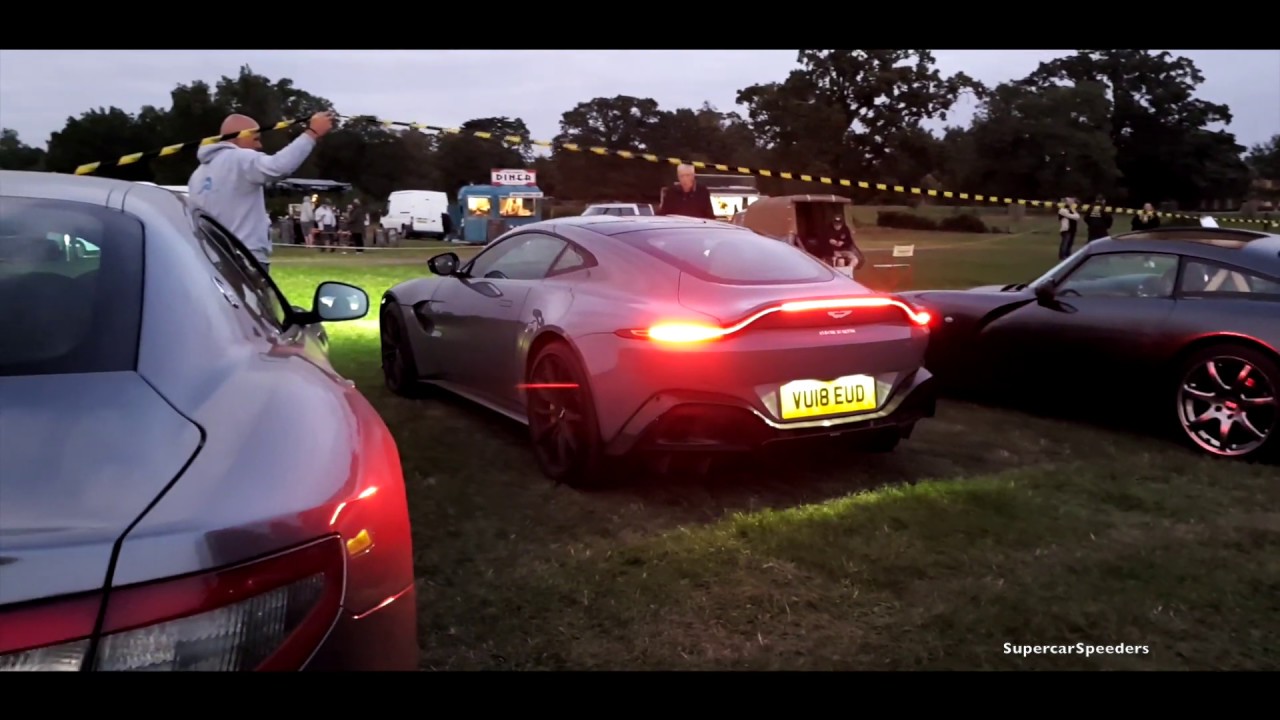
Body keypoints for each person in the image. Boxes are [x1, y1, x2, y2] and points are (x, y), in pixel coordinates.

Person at [188, 111, 334, 274]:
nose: (259, 146)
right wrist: (311, 134)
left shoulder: (197, 175)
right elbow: (278, 167)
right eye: (255, 139)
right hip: (245, 259)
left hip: (210, 261)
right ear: (237, 137)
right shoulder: (239, 158)